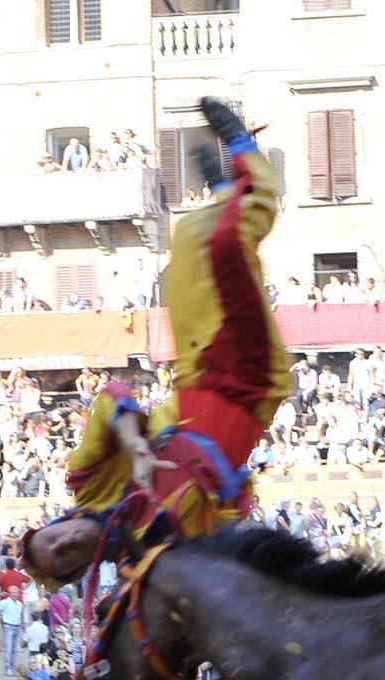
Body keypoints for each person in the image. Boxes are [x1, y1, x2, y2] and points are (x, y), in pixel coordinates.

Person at [21, 97, 293, 584]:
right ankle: (247, 163)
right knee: (229, 245)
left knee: (190, 237)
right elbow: (225, 530)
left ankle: (228, 192)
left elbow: (114, 395)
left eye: (50, 540)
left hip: (194, 378)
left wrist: (135, 445)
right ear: (80, 568)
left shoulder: (86, 482)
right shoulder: (141, 565)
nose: (62, 544)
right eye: (62, 558)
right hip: (245, 392)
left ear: (52, 523)